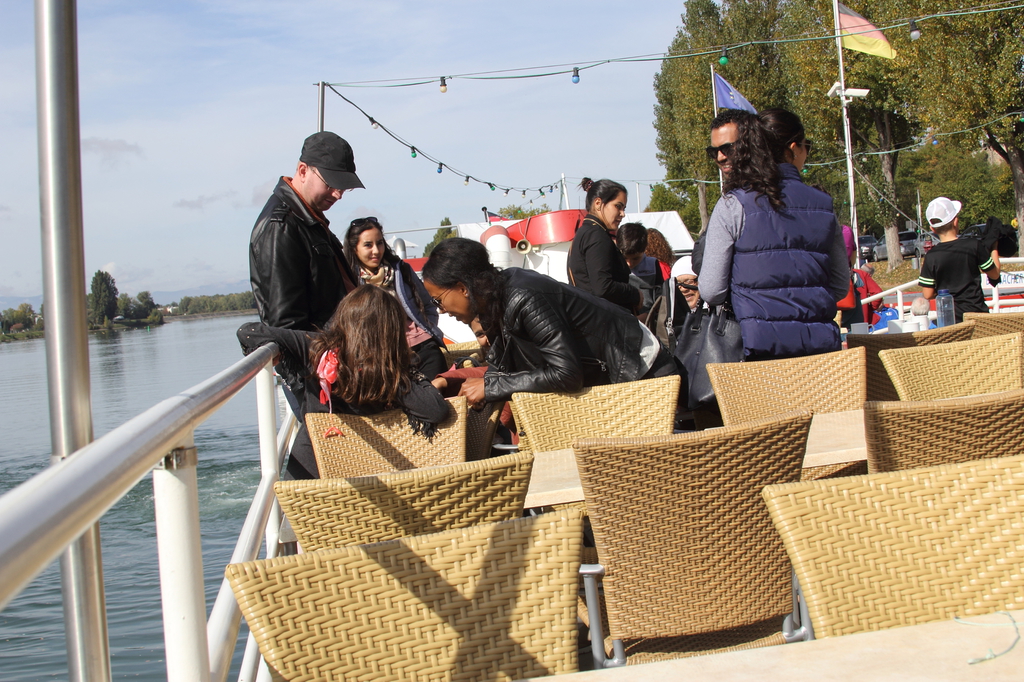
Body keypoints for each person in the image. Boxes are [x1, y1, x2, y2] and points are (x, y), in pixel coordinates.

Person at [422, 238, 677, 406]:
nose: (441, 311)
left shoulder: (523, 297)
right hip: (620, 370)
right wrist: (467, 385)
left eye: (438, 300)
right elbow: (501, 366)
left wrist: (491, 387)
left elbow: (567, 374)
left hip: (639, 367)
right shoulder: (497, 296)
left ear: (462, 288)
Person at [237, 286, 449, 479]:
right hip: (370, 472)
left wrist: (376, 369)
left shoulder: (316, 348)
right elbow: (435, 410)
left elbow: (248, 333)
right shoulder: (389, 370)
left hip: (313, 472)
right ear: (391, 332)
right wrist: (384, 373)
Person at [699, 109, 850, 360]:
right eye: (807, 146)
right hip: (820, 347)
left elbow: (712, 289)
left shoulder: (733, 204)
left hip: (757, 346)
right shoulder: (823, 204)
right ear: (793, 148)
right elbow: (840, 285)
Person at [249, 132, 364, 415]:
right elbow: (285, 325)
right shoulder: (282, 226)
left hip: (336, 367)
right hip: (320, 379)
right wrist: (314, 388)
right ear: (303, 170)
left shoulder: (306, 218)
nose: (338, 194)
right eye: (331, 184)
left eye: (344, 187)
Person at [344, 216, 447, 379]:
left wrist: (427, 327)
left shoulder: (401, 270)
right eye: (368, 245)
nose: (376, 250)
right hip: (381, 358)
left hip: (423, 348)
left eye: (379, 243)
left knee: (438, 392)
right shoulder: (348, 280)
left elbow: (428, 303)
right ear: (354, 248)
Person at [918, 196, 1000, 323]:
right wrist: (994, 247)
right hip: (977, 315)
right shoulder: (974, 245)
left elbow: (927, 294)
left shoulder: (931, 256)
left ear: (932, 229)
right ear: (956, 221)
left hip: (950, 320)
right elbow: (994, 274)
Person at [566, 178, 642, 311]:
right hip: (602, 318)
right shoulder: (597, 235)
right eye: (618, 206)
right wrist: (635, 293)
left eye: (623, 208)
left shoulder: (586, 232)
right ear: (598, 203)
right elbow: (603, 287)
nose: (622, 214)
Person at [616, 222, 668, 314]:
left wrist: (651, 315)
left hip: (648, 317)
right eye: (625, 258)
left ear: (644, 249)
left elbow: (660, 295)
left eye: (635, 258)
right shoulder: (613, 265)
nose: (629, 263)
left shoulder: (652, 264)